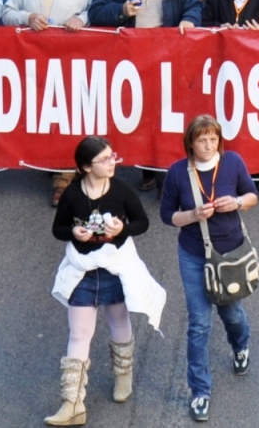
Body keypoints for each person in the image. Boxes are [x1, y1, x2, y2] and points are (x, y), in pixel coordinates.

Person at [46, 135, 165, 424]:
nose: (113, 162)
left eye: (113, 157)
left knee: (119, 322)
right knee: (78, 334)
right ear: (87, 167)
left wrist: (121, 229)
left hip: (115, 269)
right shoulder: (73, 194)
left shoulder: (121, 190)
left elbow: (143, 223)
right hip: (82, 271)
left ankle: (123, 376)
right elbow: (58, 229)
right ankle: (72, 403)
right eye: (105, 159)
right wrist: (74, 233)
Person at [160, 115, 259, 423]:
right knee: (199, 324)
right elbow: (167, 216)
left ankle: (240, 345)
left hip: (229, 252)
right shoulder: (178, 173)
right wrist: (192, 214)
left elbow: (253, 195)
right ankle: (200, 391)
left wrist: (238, 203)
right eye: (202, 140)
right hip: (193, 255)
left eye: (213, 139)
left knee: (230, 312)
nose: (208, 145)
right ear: (190, 142)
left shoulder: (232, 162)